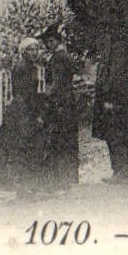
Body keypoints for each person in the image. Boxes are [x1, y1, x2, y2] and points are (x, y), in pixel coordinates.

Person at [0, 38, 49, 192]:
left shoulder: (32, 67)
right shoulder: (21, 67)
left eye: (36, 49)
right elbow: (24, 92)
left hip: (27, 107)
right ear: (23, 52)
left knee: (23, 144)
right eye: (30, 49)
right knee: (16, 144)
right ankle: (6, 181)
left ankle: (25, 182)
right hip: (21, 108)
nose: (34, 52)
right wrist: (35, 110)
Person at [91, 0, 128, 183]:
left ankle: (122, 172)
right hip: (114, 99)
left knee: (119, 135)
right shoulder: (113, 45)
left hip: (119, 101)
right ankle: (117, 171)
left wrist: (110, 98)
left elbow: (118, 77)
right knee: (113, 135)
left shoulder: (121, 47)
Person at [40, 23, 80, 188]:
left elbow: (56, 83)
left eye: (50, 41)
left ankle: (64, 178)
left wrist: (44, 96)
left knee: (61, 139)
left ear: (56, 41)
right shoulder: (65, 55)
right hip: (67, 101)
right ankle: (70, 176)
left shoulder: (59, 58)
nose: (48, 45)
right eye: (47, 42)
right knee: (68, 139)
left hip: (61, 104)